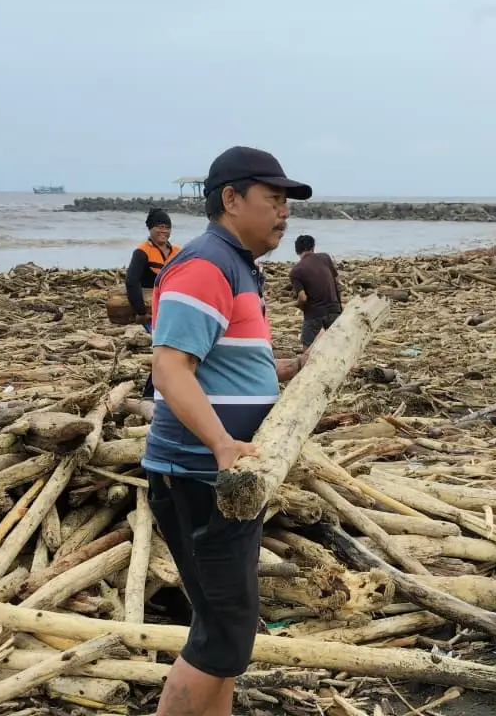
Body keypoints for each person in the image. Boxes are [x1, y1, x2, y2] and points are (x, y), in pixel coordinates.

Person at [142, 146, 312, 716]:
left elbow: (226, 361)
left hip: (230, 474)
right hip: (200, 473)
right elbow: (168, 367)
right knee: (222, 633)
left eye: (287, 203)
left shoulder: (240, 266)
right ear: (232, 199)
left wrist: (290, 369)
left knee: (228, 630)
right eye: (273, 200)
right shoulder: (206, 265)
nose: (283, 214)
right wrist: (220, 444)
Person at [126, 207, 181, 330]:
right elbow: (131, 282)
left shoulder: (178, 252)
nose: (164, 231)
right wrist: (141, 313)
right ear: (150, 228)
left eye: (167, 228)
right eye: (160, 227)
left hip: (175, 307)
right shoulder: (142, 252)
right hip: (151, 308)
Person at [289, 233, 341, 347]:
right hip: (334, 309)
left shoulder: (296, 271)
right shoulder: (325, 257)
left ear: (297, 251)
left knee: (307, 346)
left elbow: (303, 298)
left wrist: (298, 304)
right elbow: (336, 279)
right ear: (313, 248)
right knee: (337, 344)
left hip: (314, 313)